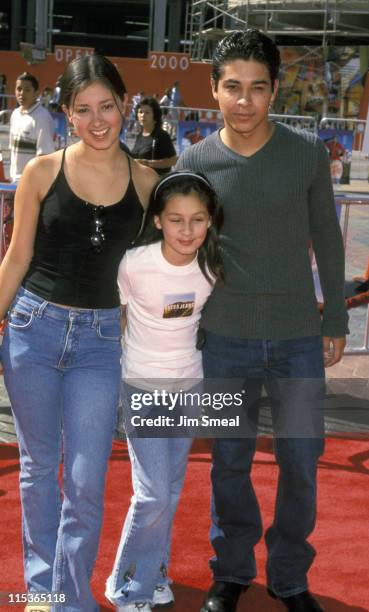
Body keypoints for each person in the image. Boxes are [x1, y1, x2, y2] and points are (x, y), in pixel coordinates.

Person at [175, 29, 348, 612]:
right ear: (213, 90)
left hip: (299, 337)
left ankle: (290, 576)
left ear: (275, 90)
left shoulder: (306, 154)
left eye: (256, 88)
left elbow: (326, 234)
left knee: (301, 459)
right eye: (232, 88)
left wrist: (335, 324)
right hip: (224, 339)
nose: (243, 101)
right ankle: (231, 571)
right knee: (229, 461)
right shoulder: (195, 161)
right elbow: (178, 245)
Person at [0, 54, 157, 611]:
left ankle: (72, 596)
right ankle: (42, 593)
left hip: (98, 343)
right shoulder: (41, 173)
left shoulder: (146, 182)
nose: (98, 121)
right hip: (32, 332)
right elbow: (16, 259)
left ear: (124, 104)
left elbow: (158, 269)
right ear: (66, 114)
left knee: (87, 481)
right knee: (39, 469)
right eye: (83, 109)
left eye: (107, 107)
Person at [105, 170, 224, 612]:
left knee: (171, 490)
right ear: (157, 220)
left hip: (188, 385)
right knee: (152, 492)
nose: (187, 230)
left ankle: (155, 572)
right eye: (176, 219)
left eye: (197, 219)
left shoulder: (211, 265)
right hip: (142, 384)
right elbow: (115, 320)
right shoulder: (134, 264)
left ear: (210, 221)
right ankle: (125, 584)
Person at [9, 72, 55, 183]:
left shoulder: (42, 117)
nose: (21, 93)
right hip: (14, 180)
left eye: (27, 90)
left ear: (36, 94)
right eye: (19, 89)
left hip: (32, 183)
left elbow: (44, 156)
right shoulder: (15, 114)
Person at [131, 96, 177, 175]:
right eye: (140, 112)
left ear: (155, 116)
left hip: (156, 182)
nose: (143, 115)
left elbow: (173, 160)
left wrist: (148, 163)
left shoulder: (162, 135)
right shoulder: (139, 136)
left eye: (147, 112)